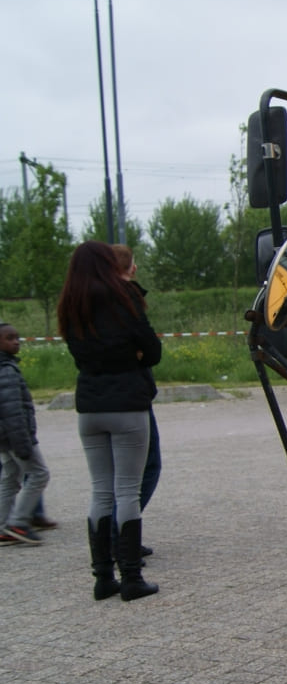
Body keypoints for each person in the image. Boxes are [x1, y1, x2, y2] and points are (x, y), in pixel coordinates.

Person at [58, 241, 162, 601]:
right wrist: (132, 354)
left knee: (100, 491)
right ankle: (131, 577)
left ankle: (103, 577)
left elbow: (78, 354)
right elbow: (152, 350)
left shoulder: (71, 305)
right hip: (128, 404)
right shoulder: (124, 299)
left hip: (89, 406)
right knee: (127, 492)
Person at [113, 243, 160, 557]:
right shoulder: (127, 299)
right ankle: (123, 543)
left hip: (94, 401)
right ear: (130, 268)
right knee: (144, 470)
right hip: (131, 397)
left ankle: (112, 543)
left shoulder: (84, 300)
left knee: (107, 481)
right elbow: (150, 351)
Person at [0, 323, 51, 546]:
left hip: (4, 437)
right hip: (15, 436)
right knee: (39, 474)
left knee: (10, 478)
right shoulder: (7, 370)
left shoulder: (7, 366)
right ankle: (18, 522)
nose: (16, 341)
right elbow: (12, 410)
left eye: (17, 337)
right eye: (9, 338)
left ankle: (3, 526)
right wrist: (23, 443)